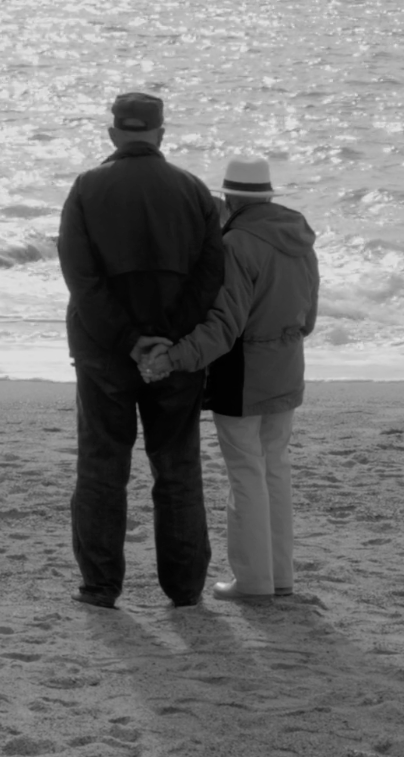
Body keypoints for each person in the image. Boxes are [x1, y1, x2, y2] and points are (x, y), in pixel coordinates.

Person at [58, 92, 226, 609]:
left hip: (105, 353)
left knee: (102, 466)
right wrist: (166, 342)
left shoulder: (87, 188)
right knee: (176, 467)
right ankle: (184, 587)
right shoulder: (192, 190)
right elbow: (210, 276)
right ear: (161, 133)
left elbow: (82, 281)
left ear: (113, 134)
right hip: (173, 355)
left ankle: (100, 586)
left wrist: (130, 342)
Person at [135, 154, 318, 601]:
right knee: (275, 468)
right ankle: (279, 577)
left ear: (229, 199)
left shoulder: (237, 243)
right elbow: (309, 318)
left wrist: (174, 358)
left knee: (246, 473)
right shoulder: (300, 237)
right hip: (287, 365)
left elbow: (224, 327)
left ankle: (253, 581)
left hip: (244, 371)